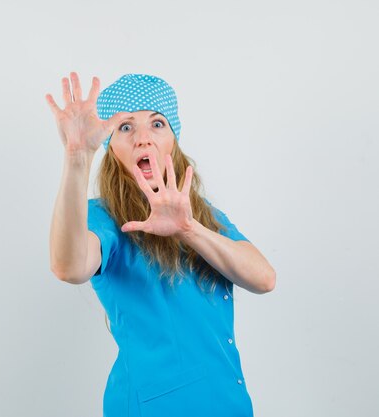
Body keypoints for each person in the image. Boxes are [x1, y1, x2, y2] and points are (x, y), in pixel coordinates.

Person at [46, 72, 276, 417]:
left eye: (157, 124)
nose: (143, 138)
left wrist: (188, 229)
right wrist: (77, 158)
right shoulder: (103, 217)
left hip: (228, 403)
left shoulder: (203, 217)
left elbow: (264, 278)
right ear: (111, 147)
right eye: (125, 127)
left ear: (173, 139)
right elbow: (69, 266)